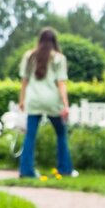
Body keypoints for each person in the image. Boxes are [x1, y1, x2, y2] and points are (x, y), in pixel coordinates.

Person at [17, 28, 78, 178]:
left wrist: (22, 100)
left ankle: (26, 171)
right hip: (52, 101)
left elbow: (24, 81)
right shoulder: (59, 58)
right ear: (54, 41)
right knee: (61, 134)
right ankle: (65, 169)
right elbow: (61, 83)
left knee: (30, 135)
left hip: (34, 100)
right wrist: (65, 105)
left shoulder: (29, 56)